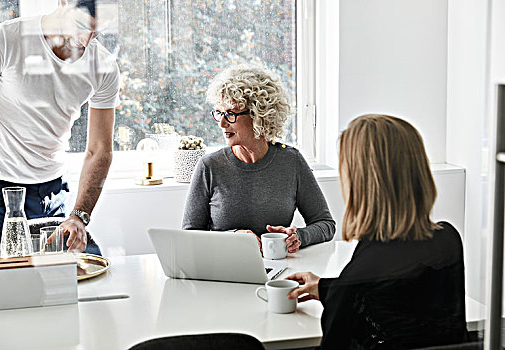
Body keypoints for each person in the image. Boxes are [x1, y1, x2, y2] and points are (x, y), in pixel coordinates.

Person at [286, 115, 468, 349]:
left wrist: (343, 292)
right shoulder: (447, 239)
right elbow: (401, 301)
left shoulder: (363, 274)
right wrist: (327, 288)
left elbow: (363, 296)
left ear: (358, 182)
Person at [0, 0, 120, 258]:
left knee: (57, 284)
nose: (85, 40)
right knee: (4, 284)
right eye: (80, 26)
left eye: (95, 31)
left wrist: (79, 215)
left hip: (51, 190)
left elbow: (100, 149)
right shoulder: (4, 40)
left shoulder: (103, 65)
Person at [182, 64, 336, 252]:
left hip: (277, 271)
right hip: (223, 271)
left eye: (230, 114)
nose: (222, 123)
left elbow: (326, 224)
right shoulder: (210, 166)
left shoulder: (291, 161)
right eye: (220, 113)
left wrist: (298, 237)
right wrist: (234, 237)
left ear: (258, 115)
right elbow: (189, 236)